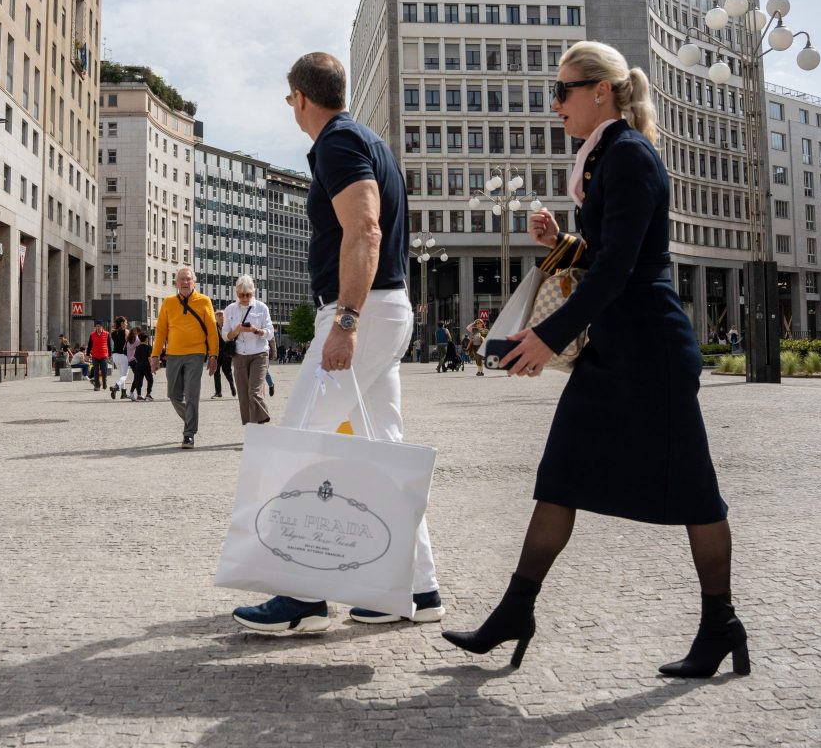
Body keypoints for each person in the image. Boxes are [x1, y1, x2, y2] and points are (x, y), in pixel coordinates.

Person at [440, 41, 747, 679]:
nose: (555, 107)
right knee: (561, 478)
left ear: (599, 91)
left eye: (562, 93)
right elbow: (607, 250)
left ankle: (720, 624)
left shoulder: (629, 155)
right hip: (614, 352)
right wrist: (567, 243)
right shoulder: (605, 157)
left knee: (696, 496)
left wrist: (549, 335)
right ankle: (515, 612)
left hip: (651, 354)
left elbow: (622, 266)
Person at [232, 51, 443, 633]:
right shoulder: (369, 141)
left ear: (300, 97)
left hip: (363, 310)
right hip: (386, 307)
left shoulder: (337, 143)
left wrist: (346, 322)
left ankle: (301, 596)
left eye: (288, 100)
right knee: (385, 446)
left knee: (301, 442)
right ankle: (419, 588)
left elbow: (365, 227)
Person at [150, 268, 218, 448]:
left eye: (188, 279)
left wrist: (213, 355)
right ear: (176, 283)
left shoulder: (204, 301)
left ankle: (189, 433)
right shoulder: (168, 302)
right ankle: (191, 418)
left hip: (196, 354)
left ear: (194, 282)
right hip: (173, 354)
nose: (185, 282)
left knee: (192, 394)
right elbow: (161, 331)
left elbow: (212, 330)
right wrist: (155, 355)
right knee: (173, 394)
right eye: (181, 279)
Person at [221, 275, 274, 426]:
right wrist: (236, 330)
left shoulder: (261, 307)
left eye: (248, 294)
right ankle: (251, 426)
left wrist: (256, 330)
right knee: (243, 395)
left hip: (259, 354)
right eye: (241, 294)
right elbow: (225, 335)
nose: (244, 298)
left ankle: (262, 421)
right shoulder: (229, 309)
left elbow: (270, 332)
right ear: (236, 292)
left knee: (254, 392)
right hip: (239, 355)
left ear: (253, 292)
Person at [211, 310, 237, 399]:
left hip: (226, 353)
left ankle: (232, 386)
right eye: (218, 315)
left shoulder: (228, 326)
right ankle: (218, 392)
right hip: (216, 353)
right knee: (216, 372)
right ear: (215, 317)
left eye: (221, 315)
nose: (220, 316)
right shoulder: (213, 327)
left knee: (227, 372)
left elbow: (234, 336)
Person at [130, 326, 154, 401]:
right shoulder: (148, 347)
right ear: (146, 339)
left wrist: (138, 364)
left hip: (139, 367)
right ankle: (148, 394)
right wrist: (152, 367)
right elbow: (149, 358)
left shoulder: (138, 347)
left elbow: (135, 358)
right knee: (150, 380)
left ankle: (139, 395)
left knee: (139, 381)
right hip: (146, 366)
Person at [109, 317, 131, 399]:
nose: (126, 324)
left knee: (121, 374)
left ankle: (123, 393)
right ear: (122, 323)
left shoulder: (113, 332)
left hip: (115, 356)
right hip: (123, 355)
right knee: (124, 375)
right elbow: (129, 343)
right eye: (125, 322)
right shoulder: (126, 331)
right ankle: (116, 387)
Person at [88, 322, 111, 391]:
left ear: (102, 327)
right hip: (95, 356)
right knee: (96, 371)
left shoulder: (107, 334)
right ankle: (97, 386)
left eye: (99, 326)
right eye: (97, 326)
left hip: (104, 355)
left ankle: (104, 382)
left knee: (104, 371)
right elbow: (90, 345)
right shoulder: (92, 335)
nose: (98, 328)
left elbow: (109, 345)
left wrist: (110, 355)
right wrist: (87, 354)